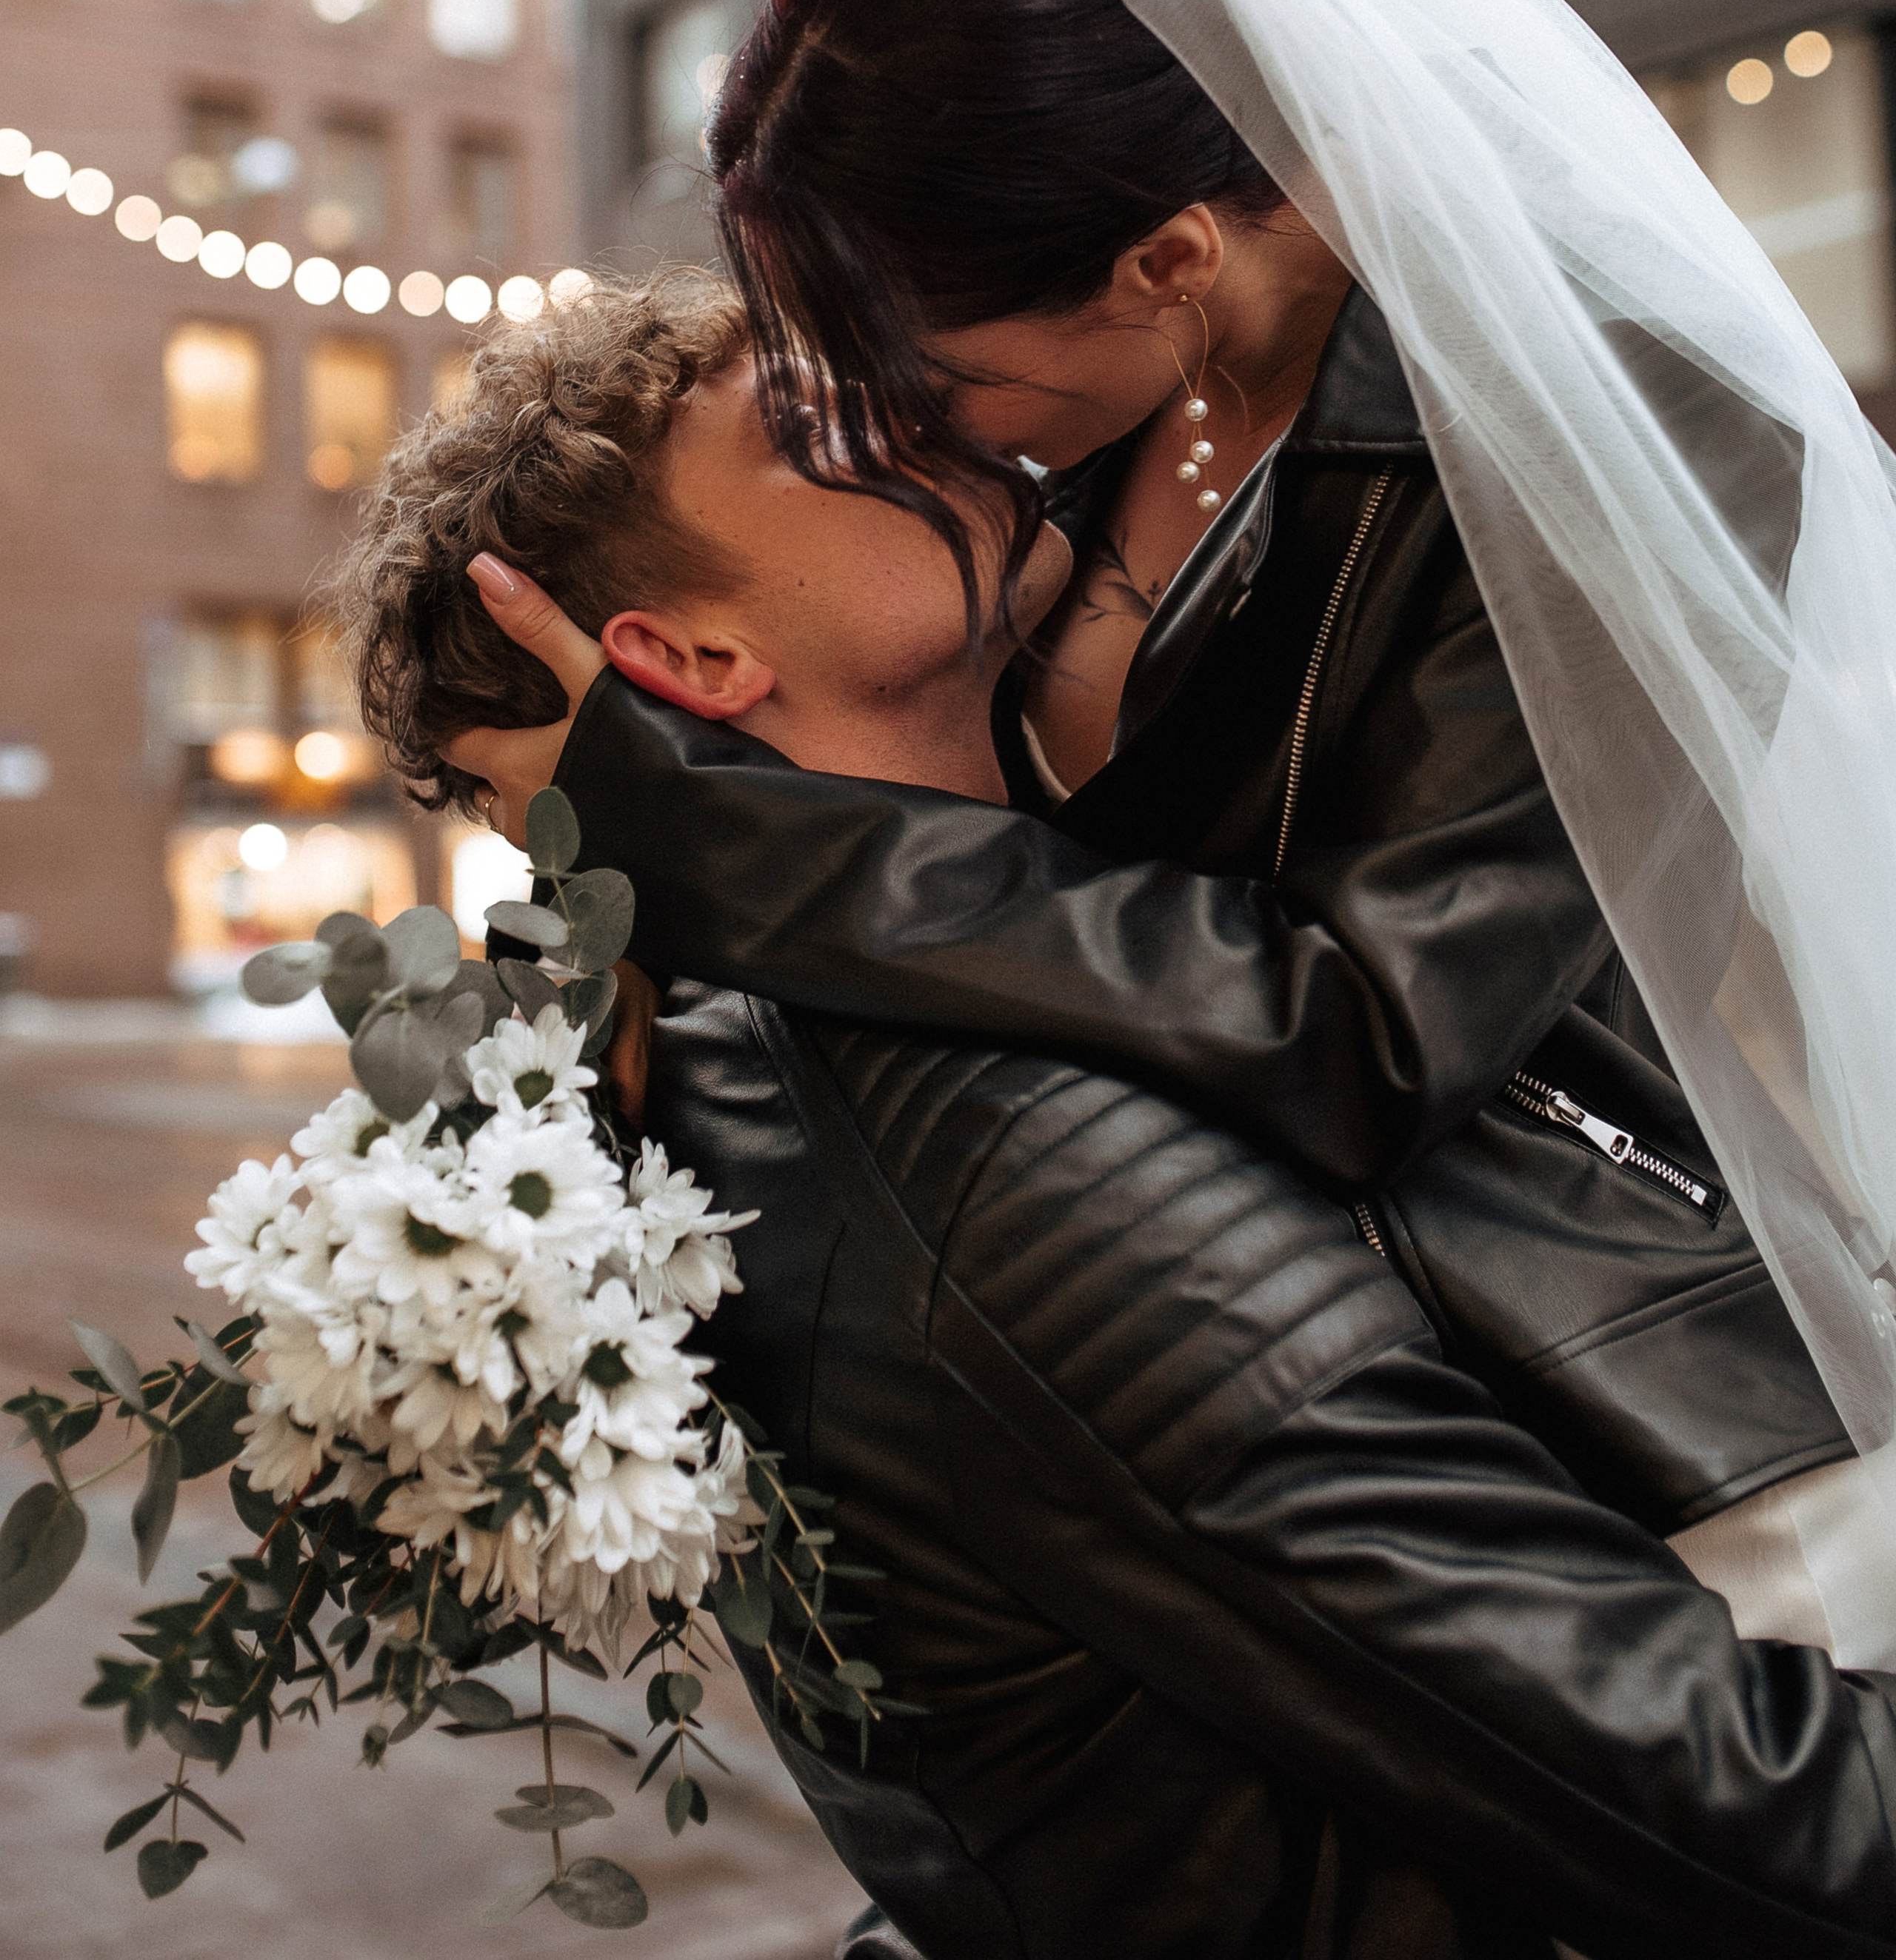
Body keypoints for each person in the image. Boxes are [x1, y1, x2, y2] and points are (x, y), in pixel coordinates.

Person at [447, 0, 1896, 1628]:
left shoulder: (1638, 436)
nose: (904, 429)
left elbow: (1369, 1030)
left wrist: (746, 844)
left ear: (1165, 264)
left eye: (932, 367)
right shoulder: (1068, 443)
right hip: (1269, 1440)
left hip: (1644, 1449)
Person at [338, 279, 1896, 1958]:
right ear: (692, 662)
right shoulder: (1017, 1165)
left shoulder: (789, 1036)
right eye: (816, 430)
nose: (915, 414)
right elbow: (1760, 1808)